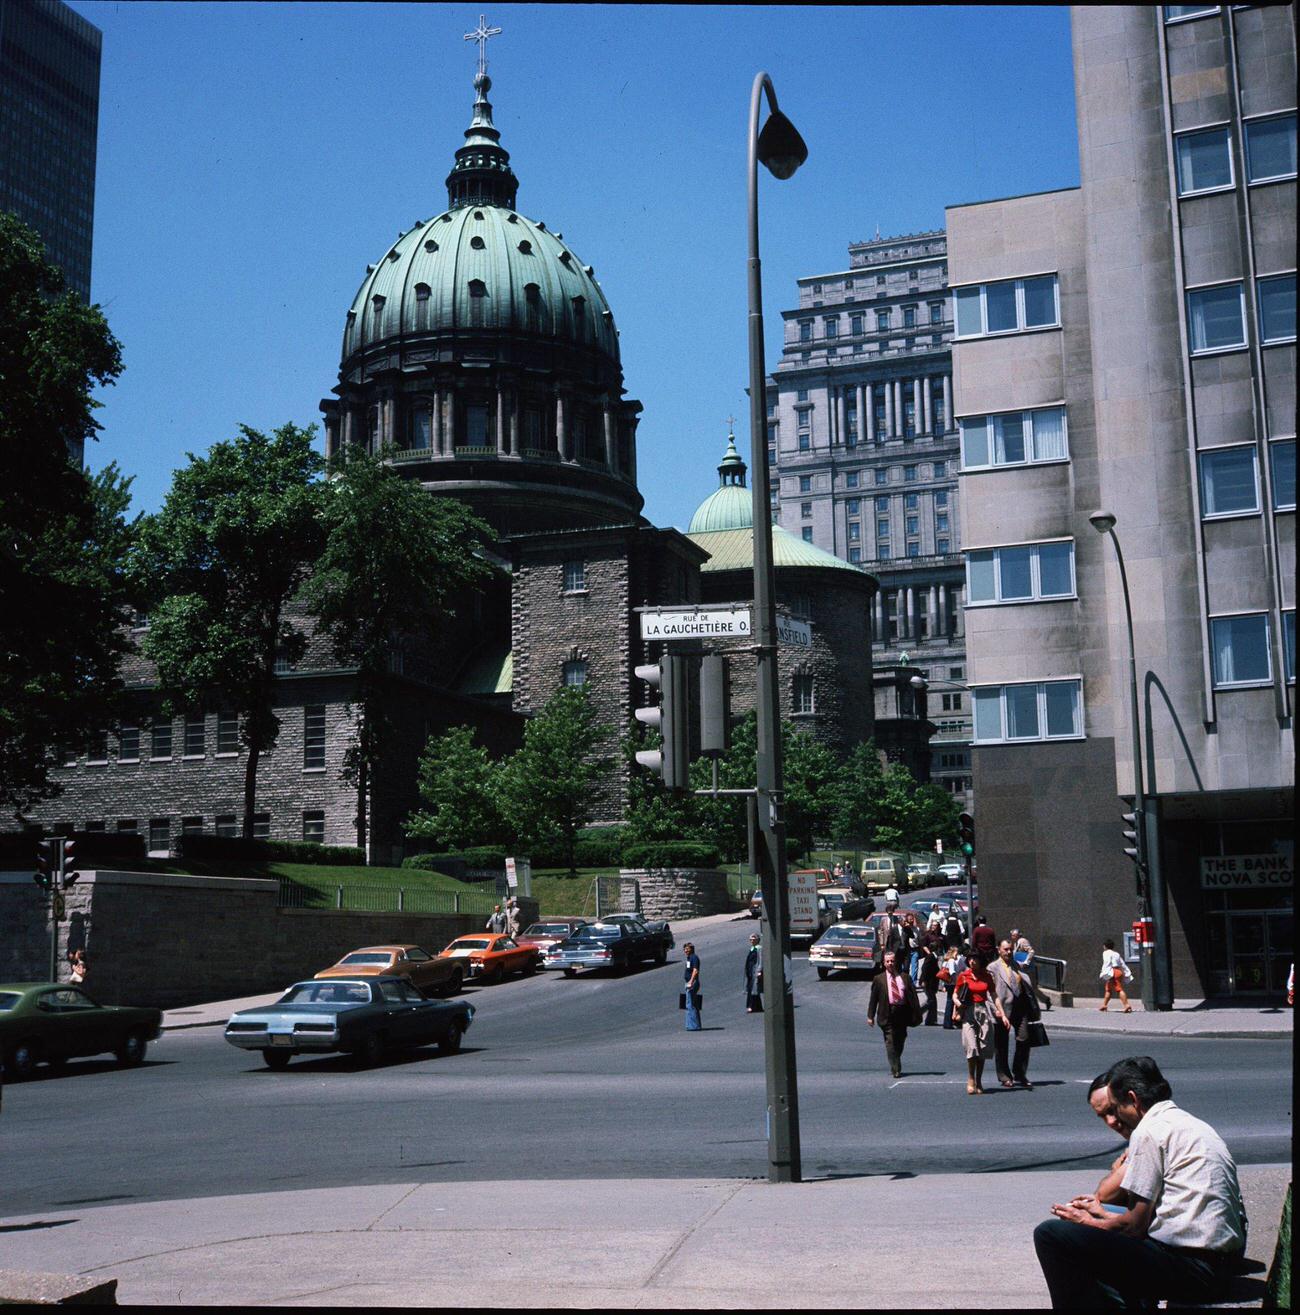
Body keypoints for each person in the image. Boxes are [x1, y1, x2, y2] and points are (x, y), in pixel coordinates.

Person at [1034, 1056, 1247, 1309]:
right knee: (1096, 1233)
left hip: (1197, 1270)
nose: (1115, 1120)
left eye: (1115, 1108)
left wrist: (1088, 1222)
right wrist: (1101, 1215)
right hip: (1220, 1262)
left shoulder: (1149, 1130)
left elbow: (1135, 1227)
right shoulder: (1187, 1122)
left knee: (1050, 1235)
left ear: (1133, 1100)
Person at [952, 950, 1009, 1095]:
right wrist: (958, 1003)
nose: (972, 961)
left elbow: (994, 995)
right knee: (972, 1047)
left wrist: (1002, 1014)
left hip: (983, 1011)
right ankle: (971, 1079)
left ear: (980, 962)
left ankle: (979, 1080)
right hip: (968, 1012)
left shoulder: (986, 977)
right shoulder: (963, 976)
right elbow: (955, 993)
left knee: (983, 1048)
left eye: (975, 959)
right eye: (970, 959)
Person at [866, 950, 921, 1078]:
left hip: (902, 1013)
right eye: (888, 961)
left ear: (896, 962)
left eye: (892, 961)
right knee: (890, 1041)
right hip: (887, 1013)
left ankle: (895, 1058)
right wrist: (870, 1016)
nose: (890, 963)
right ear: (884, 963)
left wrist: (916, 1012)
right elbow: (873, 999)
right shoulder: (878, 979)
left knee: (900, 1041)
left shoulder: (904, 977)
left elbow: (912, 996)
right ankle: (896, 1068)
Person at [990, 938, 1035, 1089]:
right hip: (1002, 1010)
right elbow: (989, 992)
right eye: (1005, 949)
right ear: (999, 950)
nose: (1008, 952)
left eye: (1010, 949)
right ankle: (1004, 1076)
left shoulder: (1017, 966)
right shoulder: (993, 968)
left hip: (1020, 1008)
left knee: (1024, 1039)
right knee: (1001, 1045)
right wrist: (995, 1010)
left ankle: (1019, 1072)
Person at [1086, 1073, 1131, 1209]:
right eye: (1102, 1116)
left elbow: (1105, 1195)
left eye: (1112, 1110)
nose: (1110, 1121)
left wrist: (1118, 1170)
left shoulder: (1148, 1136)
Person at [1098, 939, 1133, 1012]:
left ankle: (1126, 1005)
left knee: (1118, 989)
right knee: (1108, 989)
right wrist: (1126, 972)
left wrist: (1104, 972)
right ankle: (1104, 1005)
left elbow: (1107, 962)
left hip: (1112, 972)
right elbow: (1122, 963)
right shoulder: (1116, 954)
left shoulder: (1106, 953)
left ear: (1105, 946)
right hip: (1118, 971)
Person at [940, 944, 966, 1029]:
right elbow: (952, 972)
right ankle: (948, 1023)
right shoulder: (951, 961)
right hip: (952, 984)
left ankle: (948, 1022)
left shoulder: (946, 961)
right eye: (956, 952)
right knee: (951, 1002)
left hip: (948, 984)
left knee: (950, 1002)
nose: (957, 955)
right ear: (952, 952)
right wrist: (956, 981)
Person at [917, 941, 940, 1025]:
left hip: (932, 983)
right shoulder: (930, 957)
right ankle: (917, 1013)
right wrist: (923, 980)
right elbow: (925, 969)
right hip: (928, 982)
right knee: (931, 1001)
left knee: (932, 1001)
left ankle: (931, 1020)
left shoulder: (934, 957)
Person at [682, 941, 702, 1031]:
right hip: (689, 983)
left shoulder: (694, 958)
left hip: (692, 983)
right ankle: (693, 1024)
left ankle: (693, 1026)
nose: (685, 950)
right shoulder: (689, 958)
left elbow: (695, 970)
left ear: (691, 949)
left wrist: (690, 981)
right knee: (692, 1004)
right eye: (684, 949)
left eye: (687, 949)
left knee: (690, 1004)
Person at [743, 933, 763, 1013]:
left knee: (752, 989)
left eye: (753, 939)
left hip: (755, 971)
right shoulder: (752, 948)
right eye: (750, 939)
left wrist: (759, 971)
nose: (752, 941)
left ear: (757, 940)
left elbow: (761, 960)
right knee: (753, 989)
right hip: (750, 971)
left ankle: (750, 1006)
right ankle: (758, 1007)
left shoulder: (759, 948)